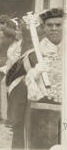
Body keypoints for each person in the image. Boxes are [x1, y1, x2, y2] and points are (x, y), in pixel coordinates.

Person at [6, 8, 63, 149]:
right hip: (40, 117)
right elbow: (11, 80)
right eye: (50, 25)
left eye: (58, 25)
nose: (54, 29)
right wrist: (33, 76)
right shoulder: (31, 56)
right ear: (43, 28)